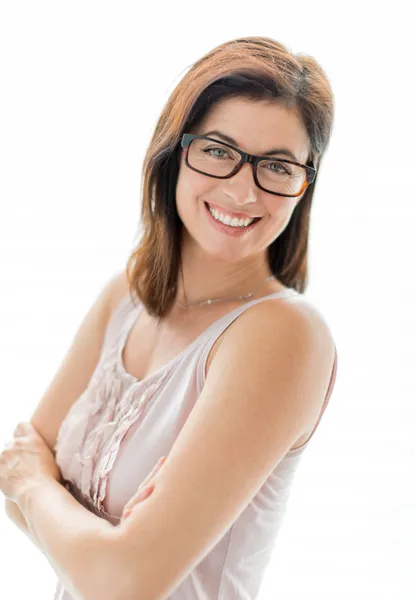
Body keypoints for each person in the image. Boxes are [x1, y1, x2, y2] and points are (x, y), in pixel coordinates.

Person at [44, 36, 338, 600]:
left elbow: (127, 583)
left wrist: (37, 486)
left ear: (303, 184)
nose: (243, 190)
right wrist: (105, 546)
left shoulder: (284, 334)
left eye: (276, 166)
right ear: (174, 151)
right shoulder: (127, 296)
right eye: (219, 151)